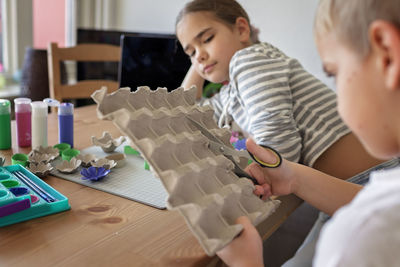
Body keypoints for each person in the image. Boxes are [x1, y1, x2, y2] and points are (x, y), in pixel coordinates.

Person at [216, 0, 400, 266]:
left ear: (387, 54)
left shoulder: (364, 233)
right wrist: (295, 178)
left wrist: (247, 263)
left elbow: (371, 218)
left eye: (333, 73)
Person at [175, 0, 384, 180]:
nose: (199, 56)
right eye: (191, 52)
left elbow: (280, 150)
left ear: (241, 30)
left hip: (373, 179)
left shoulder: (250, 61)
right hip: (342, 188)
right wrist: (200, 59)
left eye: (207, 39)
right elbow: (184, 113)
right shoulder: (230, 93)